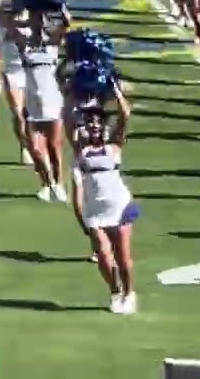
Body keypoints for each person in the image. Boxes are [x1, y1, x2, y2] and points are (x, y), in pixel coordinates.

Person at [72, 104, 138, 314]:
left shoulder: (113, 148)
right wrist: (81, 217)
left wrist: (116, 91)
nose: (94, 125)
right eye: (90, 122)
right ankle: (115, 291)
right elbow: (77, 192)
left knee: (123, 256)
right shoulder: (80, 156)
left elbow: (124, 116)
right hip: (95, 212)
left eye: (98, 122)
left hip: (120, 207)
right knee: (102, 254)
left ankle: (129, 294)